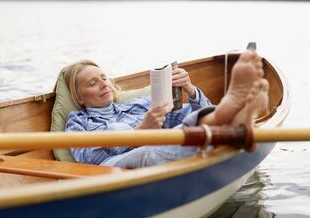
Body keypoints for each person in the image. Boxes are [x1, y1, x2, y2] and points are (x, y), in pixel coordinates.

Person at [64, 51, 269, 168]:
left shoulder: (139, 105)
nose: (103, 84)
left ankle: (229, 114)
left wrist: (191, 91)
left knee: (186, 124)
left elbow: (188, 116)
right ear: (79, 97)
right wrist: (139, 134)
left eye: (103, 78)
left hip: (171, 143)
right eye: (92, 83)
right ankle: (233, 121)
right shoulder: (78, 120)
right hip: (112, 166)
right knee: (148, 152)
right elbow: (87, 156)